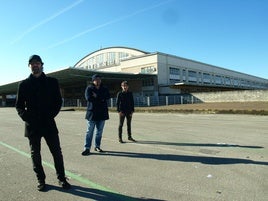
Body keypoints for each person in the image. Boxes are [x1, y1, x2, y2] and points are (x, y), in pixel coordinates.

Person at [15, 55, 71, 191]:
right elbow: (19, 106)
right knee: (35, 154)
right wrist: (28, 118)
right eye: (32, 64)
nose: (35, 65)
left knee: (57, 152)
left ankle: (61, 178)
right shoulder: (23, 85)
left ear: (42, 65)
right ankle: (41, 180)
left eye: (37, 63)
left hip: (48, 124)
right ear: (29, 66)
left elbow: (58, 102)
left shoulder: (52, 82)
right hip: (32, 125)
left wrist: (50, 115)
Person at [81, 74, 110, 156]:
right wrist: (101, 98)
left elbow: (107, 96)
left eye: (99, 79)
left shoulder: (104, 88)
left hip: (102, 113)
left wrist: (97, 96)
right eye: (96, 79)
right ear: (93, 80)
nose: (98, 81)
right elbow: (88, 98)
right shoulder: (89, 88)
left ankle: (97, 146)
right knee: (89, 132)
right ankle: (87, 148)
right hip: (92, 113)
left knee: (99, 132)